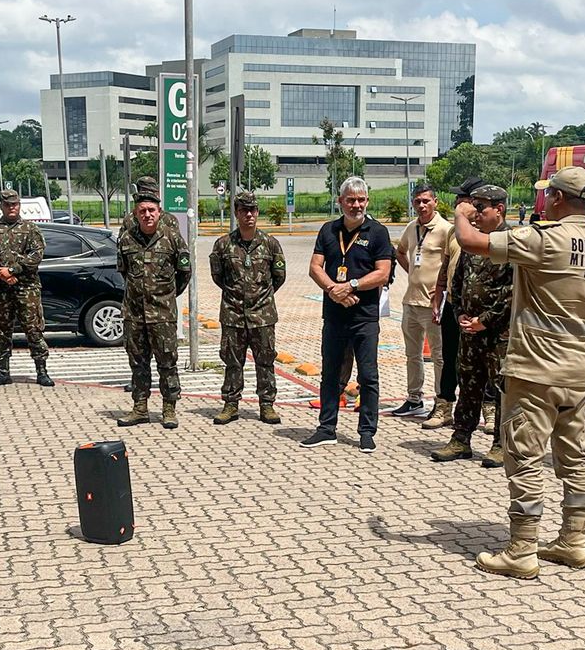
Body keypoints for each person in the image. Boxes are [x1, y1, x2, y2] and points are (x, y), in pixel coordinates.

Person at [452, 167, 585, 578]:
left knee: (524, 458)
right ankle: (574, 541)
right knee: (574, 459)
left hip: (535, 370)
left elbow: (471, 242)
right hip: (577, 370)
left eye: (547, 195)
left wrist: (462, 212)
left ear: (557, 198)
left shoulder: (546, 238)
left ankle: (521, 550)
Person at [302, 176, 394, 450]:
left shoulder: (378, 232)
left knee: (368, 376)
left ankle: (366, 432)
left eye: (361, 200)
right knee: (330, 374)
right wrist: (333, 290)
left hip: (364, 317)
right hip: (334, 316)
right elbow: (315, 267)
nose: (356, 205)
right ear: (340, 201)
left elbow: (383, 273)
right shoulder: (328, 230)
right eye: (351, 200)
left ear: (367, 201)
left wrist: (351, 285)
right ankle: (326, 428)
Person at [432, 184, 511, 465]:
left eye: (480, 207)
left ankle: (501, 444)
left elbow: (512, 291)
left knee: (501, 389)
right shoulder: (472, 242)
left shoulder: (512, 242)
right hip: (469, 329)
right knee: (467, 384)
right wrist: (460, 315)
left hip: (499, 332)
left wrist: (485, 321)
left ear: (499, 209)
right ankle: (461, 439)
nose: (474, 213)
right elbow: (457, 280)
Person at [116, 179, 192, 428]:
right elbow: (124, 272)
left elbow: (184, 273)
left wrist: (166, 295)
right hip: (135, 314)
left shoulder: (172, 238)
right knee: (138, 364)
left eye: (151, 210)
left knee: (167, 362)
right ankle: (140, 408)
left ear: (159, 212)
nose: (147, 215)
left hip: (163, 314)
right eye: (142, 211)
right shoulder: (126, 239)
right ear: (136, 214)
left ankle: (169, 409)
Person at [209, 189, 286, 424]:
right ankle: (231, 404)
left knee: (266, 361)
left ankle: (267, 405)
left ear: (257, 212)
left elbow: (279, 277)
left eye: (252, 210)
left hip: (263, 315)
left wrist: (260, 297)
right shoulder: (223, 245)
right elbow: (218, 277)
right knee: (232, 361)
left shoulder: (270, 244)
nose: (249, 215)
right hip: (233, 314)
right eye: (244, 210)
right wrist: (238, 296)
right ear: (236, 213)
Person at [423, 176, 486, 433]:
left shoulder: (491, 231)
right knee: (450, 358)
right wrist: (438, 295)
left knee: (485, 362)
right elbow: (446, 265)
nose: (457, 202)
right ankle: (444, 406)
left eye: (463, 198)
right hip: (454, 305)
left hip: (483, 309)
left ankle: (490, 410)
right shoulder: (453, 231)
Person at [389, 182, 453, 418]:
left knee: (439, 356)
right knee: (412, 354)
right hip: (411, 301)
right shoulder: (411, 227)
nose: (422, 205)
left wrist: (440, 290)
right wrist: (413, 273)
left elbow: (452, 262)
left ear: (436, 202)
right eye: (417, 201)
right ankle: (414, 399)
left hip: (434, 304)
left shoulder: (446, 230)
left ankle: (442, 401)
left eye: (426, 200)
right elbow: (400, 252)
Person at [0, 188, 52, 389]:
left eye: (15, 204)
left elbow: (36, 255)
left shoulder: (31, 229)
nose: (12, 208)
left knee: (34, 329)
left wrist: (12, 270)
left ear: (19, 205)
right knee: (1, 331)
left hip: (26, 288)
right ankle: (3, 372)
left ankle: (42, 372)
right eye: (8, 205)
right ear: (1, 206)